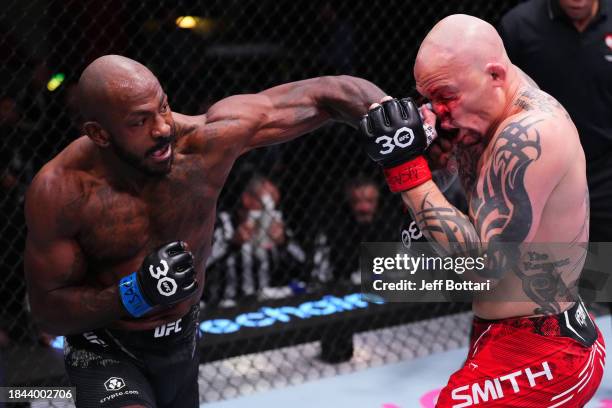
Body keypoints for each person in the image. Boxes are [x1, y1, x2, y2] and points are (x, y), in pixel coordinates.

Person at [23, 54, 385, 407]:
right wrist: (134, 294)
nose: (163, 127)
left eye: (162, 107)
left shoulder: (202, 144)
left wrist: (382, 109)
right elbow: (47, 312)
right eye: (139, 121)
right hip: (105, 348)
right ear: (99, 134)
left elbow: (324, 93)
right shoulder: (61, 191)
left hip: (182, 342)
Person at [360, 15, 605, 407]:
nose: (437, 111)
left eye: (445, 96)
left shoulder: (531, 133)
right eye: (429, 98)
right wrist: (434, 156)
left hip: (547, 351)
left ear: (495, 75)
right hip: (502, 334)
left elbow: (484, 265)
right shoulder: (483, 108)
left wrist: (406, 168)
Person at [499, 0, 612, 321]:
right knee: (537, 286)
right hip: (541, 179)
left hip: (606, 172)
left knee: (608, 277)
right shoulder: (519, 26)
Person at [204, 174, 307, 308]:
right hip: (227, 303)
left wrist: (284, 243)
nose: (272, 209)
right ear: (247, 199)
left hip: (267, 300)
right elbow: (204, 264)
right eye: (268, 202)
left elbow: (303, 263)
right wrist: (232, 244)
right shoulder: (224, 223)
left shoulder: (274, 220)